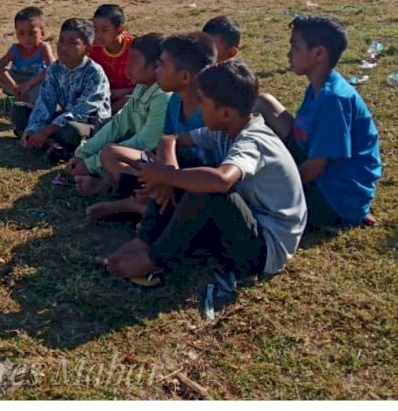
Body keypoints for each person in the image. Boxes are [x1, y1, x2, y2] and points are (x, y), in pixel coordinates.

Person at [98, 61, 307, 284]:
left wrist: (167, 175)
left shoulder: (253, 141)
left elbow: (221, 180)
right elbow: (170, 140)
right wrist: (169, 174)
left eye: (203, 102)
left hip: (264, 250)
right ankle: (146, 240)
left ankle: (154, 259)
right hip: (243, 223)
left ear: (225, 112)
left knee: (207, 189)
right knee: (187, 165)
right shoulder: (227, 128)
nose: (199, 107)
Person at [254, 14, 382, 228]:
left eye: (295, 48)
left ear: (319, 53)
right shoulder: (319, 86)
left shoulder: (334, 99)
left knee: (255, 193)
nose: (288, 54)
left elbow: (316, 167)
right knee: (264, 102)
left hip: (334, 197)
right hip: (321, 172)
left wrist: (279, 187)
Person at [86, 32, 216, 221]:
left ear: (185, 76)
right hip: (170, 172)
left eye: (162, 65)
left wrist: (167, 178)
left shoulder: (208, 109)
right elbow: (165, 142)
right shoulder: (175, 101)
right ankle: (144, 204)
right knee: (112, 153)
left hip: (198, 182)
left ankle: (134, 206)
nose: (157, 70)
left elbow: (210, 168)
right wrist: (163, 176)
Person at [65, 33, 170, 195]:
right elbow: (118, 124)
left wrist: (92, 163)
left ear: (156, 67)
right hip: (134, 150)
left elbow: (146, 142)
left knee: (113, 160)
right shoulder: (142, 87)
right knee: (105, 126)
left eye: (134, 62)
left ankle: (105, 186)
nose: (127, 66)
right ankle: (103, 177)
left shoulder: (163, 95)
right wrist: (83, 154)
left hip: (155, 158)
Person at [11, 18, 110, 163]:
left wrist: (46, 130)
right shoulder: (55, 68)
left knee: (72, 131)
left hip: (90, 123)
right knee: (18, 110)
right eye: (61, 41)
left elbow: (82, 112)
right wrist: (33, 128)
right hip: (62, 119)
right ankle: (50, 144)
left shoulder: (94, 73)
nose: (63, 47)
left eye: (72, 43)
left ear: (88, 48)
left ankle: (49, 143)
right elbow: (45, 101)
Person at [0, 6, 55, 105]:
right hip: (17, 81)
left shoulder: (43, 48)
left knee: (47, 87)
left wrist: (28, 84)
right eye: (21, 34)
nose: (27, 38)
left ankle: (23, 99)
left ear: (42, 33)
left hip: (35, 82)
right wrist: (14, 86)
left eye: (32, 33)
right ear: (16, 34)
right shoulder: (15, 49)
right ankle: (18, 94)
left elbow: (54, 69)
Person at [90, 4, 135, 114]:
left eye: (104, 30)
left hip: (131, 98)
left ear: (120, 29)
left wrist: (119, 93)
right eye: (95, 30)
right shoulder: (92, 49)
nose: (98, 35)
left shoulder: (135, 49)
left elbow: (149, 84)